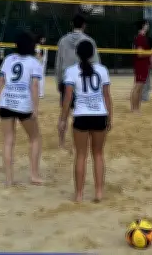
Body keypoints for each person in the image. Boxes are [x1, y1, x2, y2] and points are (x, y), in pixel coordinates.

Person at [58, 40, 113, 203]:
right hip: (99, 115)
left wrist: (63, 119)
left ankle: (79, 194)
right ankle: (99, 192)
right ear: (92, 53)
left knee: (81, 155)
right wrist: (110, 117)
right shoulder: (102, 70)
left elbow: (68, 98)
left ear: (77, 54)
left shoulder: (71, 71)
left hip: (81, 116)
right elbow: (107, 96)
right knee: (98, 154)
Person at [0, 32, 44, 187]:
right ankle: (34, 175)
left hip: (6, 103)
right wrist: (35, 108)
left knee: (8, 141)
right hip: (23, 104)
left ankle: (9, 179)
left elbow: (0, 81)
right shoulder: (34, 62)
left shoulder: (8, 59)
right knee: (35, 138)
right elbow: (34, 86)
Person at [55, 14, 100, 148]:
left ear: (72, 24)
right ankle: (81, 141)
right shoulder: (89, 41)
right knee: (83, 113)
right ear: (84, 25)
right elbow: (96, 63)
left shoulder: (63, 41)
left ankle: (61, 141)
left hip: (66, 80)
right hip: (83, 81)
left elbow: (58, 63)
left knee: (64, 113)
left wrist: (59, 81)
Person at [130, 19, 152, 112]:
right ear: (143, 26)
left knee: (140, 88)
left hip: (144, 65)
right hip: (140, 65)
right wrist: (150, 53)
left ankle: (137, 108)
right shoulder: (140, 38)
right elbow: (140, 54)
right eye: (147, 24)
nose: (148, 26)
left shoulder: (143, 37)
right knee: (137, 87)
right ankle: (134, 108)